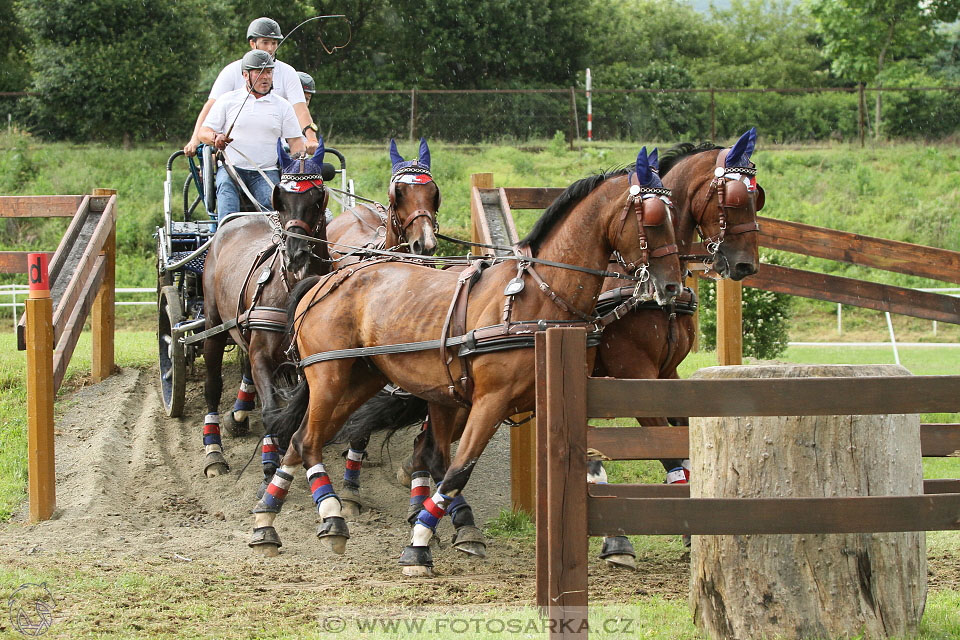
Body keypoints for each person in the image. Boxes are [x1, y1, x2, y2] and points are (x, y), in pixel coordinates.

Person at [185, 17, 319, 156]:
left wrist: (311, 139)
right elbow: (212, 106)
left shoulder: (288, 72)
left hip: (278, 147)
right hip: (235, 147)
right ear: (252, 43)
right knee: (213, 160)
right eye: (265, 42)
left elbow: (300, 109)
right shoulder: (232, 70)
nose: (270, 48)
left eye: (274, 43)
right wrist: (195, 140)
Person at [197, 50, 304, 220]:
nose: (266, 77)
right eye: (260, 73)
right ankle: (225, 236)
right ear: (245, 75)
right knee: (227, 206)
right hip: (231, 170)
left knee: (274, 216)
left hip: (266, 172)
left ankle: (274, 244)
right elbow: (203, 132)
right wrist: (215, 138)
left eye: (269, 72)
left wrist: (299, 166)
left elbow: (296, 142)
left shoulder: (283, 106)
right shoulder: (228, 100)